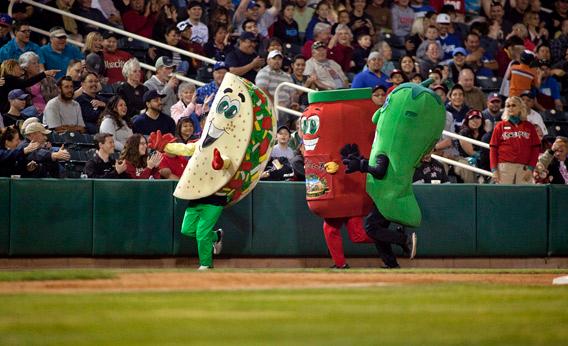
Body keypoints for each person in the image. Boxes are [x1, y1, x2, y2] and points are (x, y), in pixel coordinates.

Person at [490, 96, 541, 184]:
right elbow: (493, 149)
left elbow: (535, 149)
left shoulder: (529, 126)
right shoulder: (500, 126)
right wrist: (494, 169)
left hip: (524, 168)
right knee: (505, 195)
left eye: (513, 105)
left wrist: (531, 168)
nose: (510, 108)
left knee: (522, 195)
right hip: (504, 168)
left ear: (520, 107)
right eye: (507, 106)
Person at [454, 109, 486, 183]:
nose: (475, 121)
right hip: (463, 159)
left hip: (481, 159)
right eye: (472, 118)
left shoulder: (484, 133)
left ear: (482, 120)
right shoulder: (464, 132)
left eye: (478, 118)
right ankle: (472, 189)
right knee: (469, 164)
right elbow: (470, 152)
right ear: (467, 121)